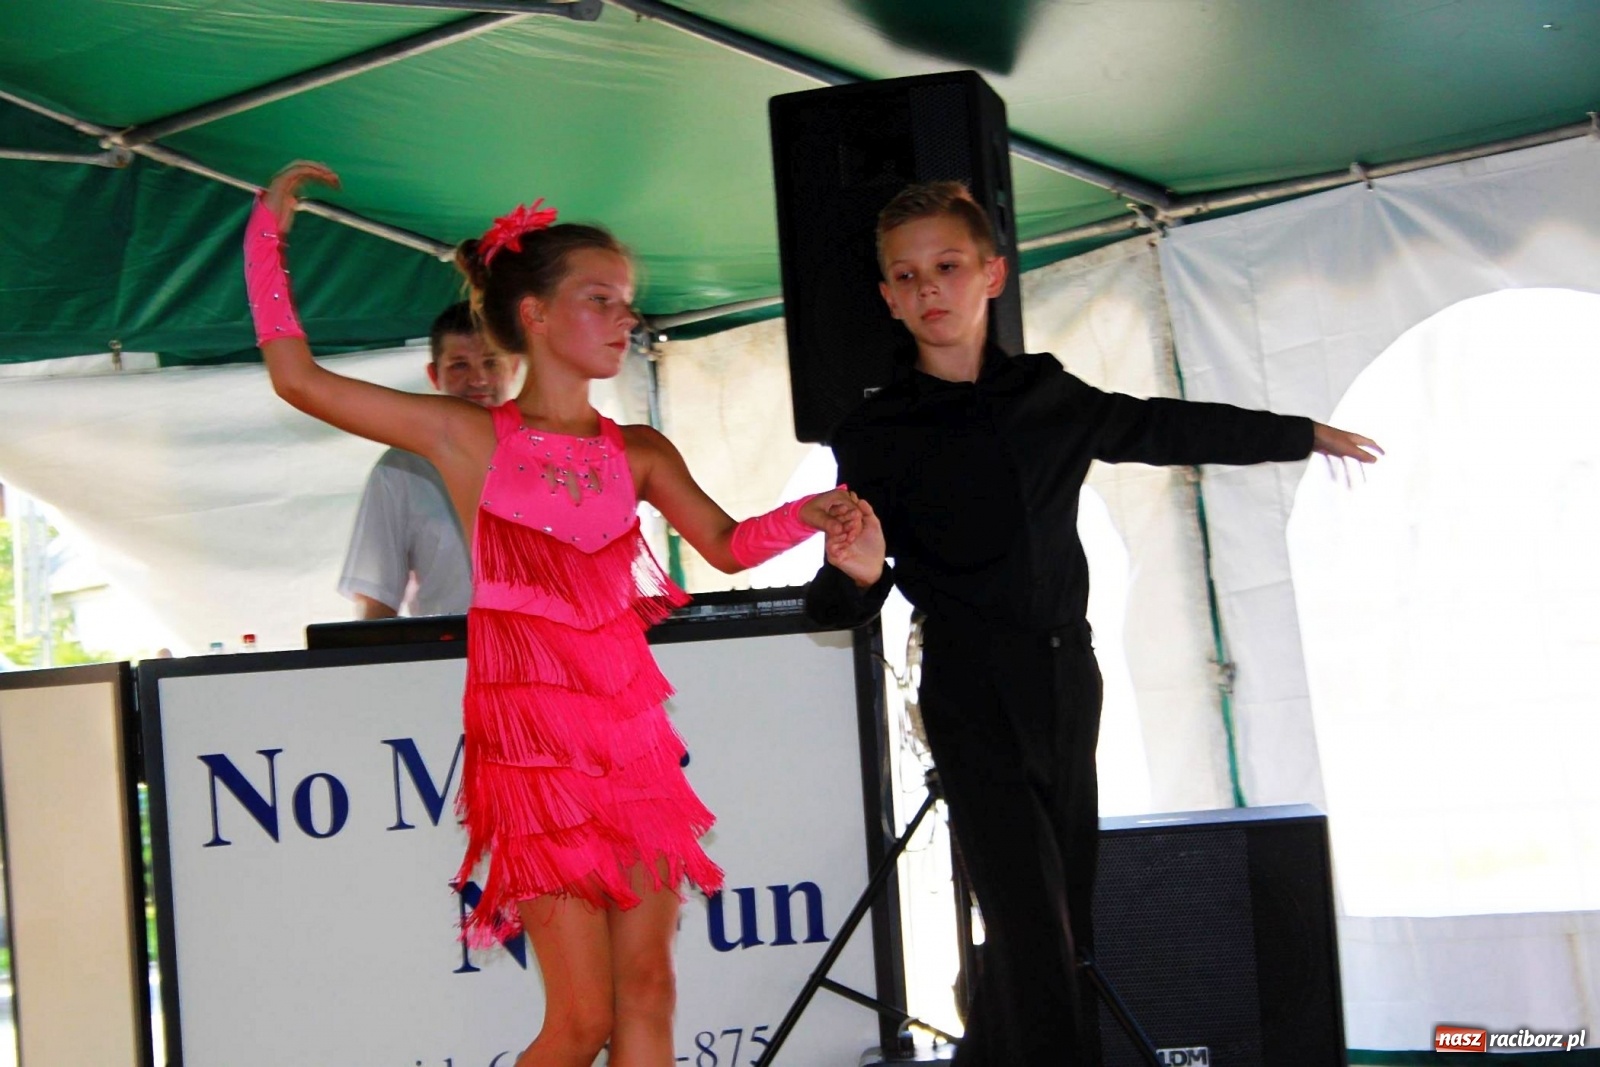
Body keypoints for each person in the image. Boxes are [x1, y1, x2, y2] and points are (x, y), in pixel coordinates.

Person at [246, 162, 863, 1067]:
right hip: (533, 756)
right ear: (533, 315)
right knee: (580, 1022)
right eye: (601, 298)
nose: (624, 317)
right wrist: (268, 234)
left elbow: (728, 543)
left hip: (632, 748)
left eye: (627, 302)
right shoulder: (465, 437)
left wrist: (807, 515)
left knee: (649, 991)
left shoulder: (639, 450)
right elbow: (298, 379)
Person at [806, 181, 1382, 1066]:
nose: (931, 289)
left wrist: (1299, 432)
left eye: (948, 267)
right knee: (1036, 932)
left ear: (992, 273)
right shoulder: (875, 429)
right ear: (886, 294)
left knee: (1062, 929)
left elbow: (1161, 425)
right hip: (969, 691)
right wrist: (856, 572)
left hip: (1069, 682)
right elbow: (849, 591)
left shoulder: (1048, 394)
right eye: (908, 275)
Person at [338, 301, 518, 618]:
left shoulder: (553, 454)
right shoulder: (400, 467)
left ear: (515, 367)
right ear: (434, 375)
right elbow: (377, 601)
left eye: (491, 363)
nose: (478, 380)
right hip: (448, 660)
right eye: (460, 365)